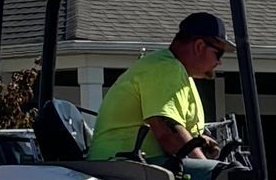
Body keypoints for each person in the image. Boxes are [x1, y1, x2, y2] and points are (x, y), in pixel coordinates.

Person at [86, 11, 229, 163]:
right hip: (121, 166)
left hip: (136, 165)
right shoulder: (166, 68)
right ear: (199, 46)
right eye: (218, 54)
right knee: (230, 177)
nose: (219, 62)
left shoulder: (177, 72)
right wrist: (208, 167)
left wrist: (199, 141)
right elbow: (168, 134)